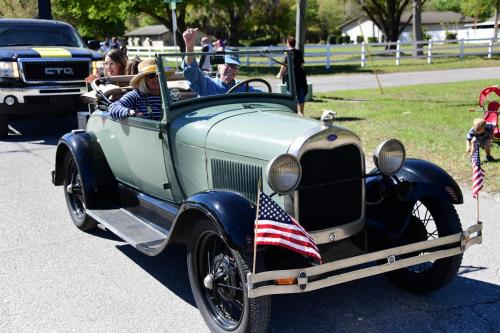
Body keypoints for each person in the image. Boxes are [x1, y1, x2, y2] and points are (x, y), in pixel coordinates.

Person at [182, 28, 258, 96]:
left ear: (238, 70)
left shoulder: (242, 88)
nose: (231, 69)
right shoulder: (207, 84)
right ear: (219, 66)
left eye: (235, 67)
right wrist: (189, 47)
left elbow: (261, 95)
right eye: (229, 65)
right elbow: (191, 71)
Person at [108, 59, 173, 120]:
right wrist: (131, 112)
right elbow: (113, 108)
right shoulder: (136, 95)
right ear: (143, 79)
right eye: (151, 75)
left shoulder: (170, 95)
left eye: (159, 75)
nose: (156, 78)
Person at [276, 36, 308, 116]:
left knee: (290, 93)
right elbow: (301, 65)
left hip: (291, 77)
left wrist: (280, 74)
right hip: (300, 76)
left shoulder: (287, 53)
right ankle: (301, 112)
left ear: (288, 43)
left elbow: (283, 65)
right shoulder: (299, 52)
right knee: (300, 93)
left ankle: (293, 111)